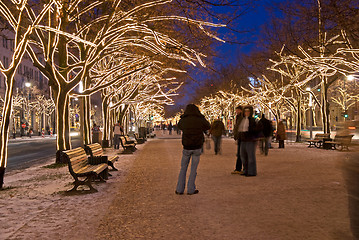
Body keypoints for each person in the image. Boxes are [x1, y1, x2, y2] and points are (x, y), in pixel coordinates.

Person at [176, 104, 210, 195]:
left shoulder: (184, 120)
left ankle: (179, 189)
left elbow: (179, 126)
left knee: (183, 168)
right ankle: (191, 189)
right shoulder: (200, 119)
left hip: (187, 146)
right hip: (197, 146)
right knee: (193, 169)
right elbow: (208, 126)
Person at [238, 106, 258, 177]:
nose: (247, 113)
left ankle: (251, 171)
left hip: (250, 139)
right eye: (245, 111)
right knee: (243, 156)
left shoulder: (252, 120)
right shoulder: (242, 120)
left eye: (248, 111)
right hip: (243, 139)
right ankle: (245, 170)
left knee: (250, 156)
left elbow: (254, 129)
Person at [231, 106, 243, 174]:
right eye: (236, 110)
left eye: (238, 110)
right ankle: (238, 168)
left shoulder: (241, 117)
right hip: (239, 137)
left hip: (242, 137)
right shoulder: (238, 117)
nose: (236, 111)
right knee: (239, 153)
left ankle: (239, 168)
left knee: (240, 153)